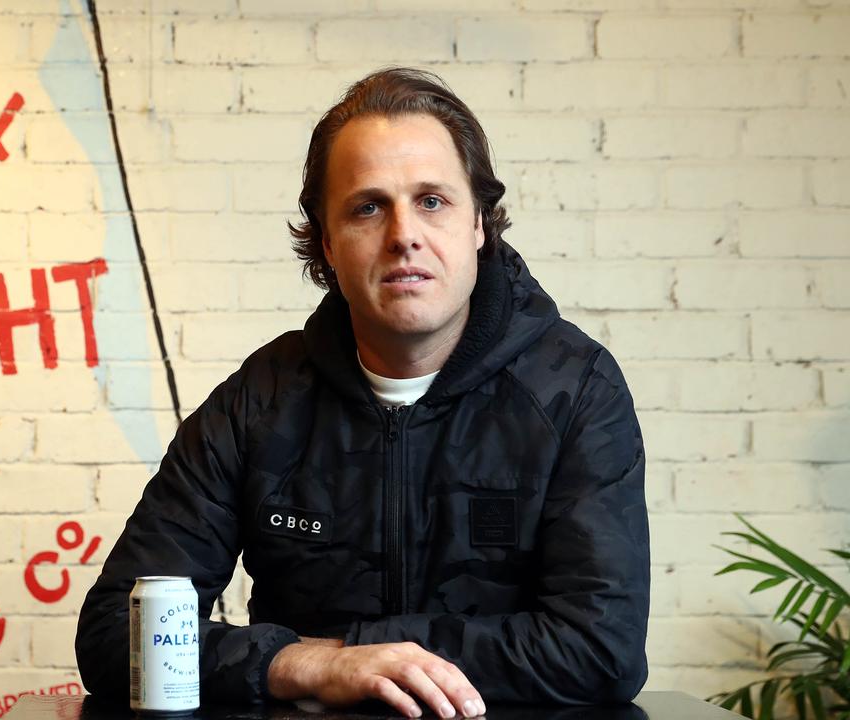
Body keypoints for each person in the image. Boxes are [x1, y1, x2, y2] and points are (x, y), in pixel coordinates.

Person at [75, 67, 650, 719]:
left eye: (432, 200)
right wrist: (313, 664)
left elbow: (602, 650)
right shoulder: (257, 406)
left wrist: (364, 651)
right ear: (326, 241)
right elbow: (113, 638)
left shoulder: (573, 390)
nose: (404, 234)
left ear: (479, 225)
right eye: (368, 206)